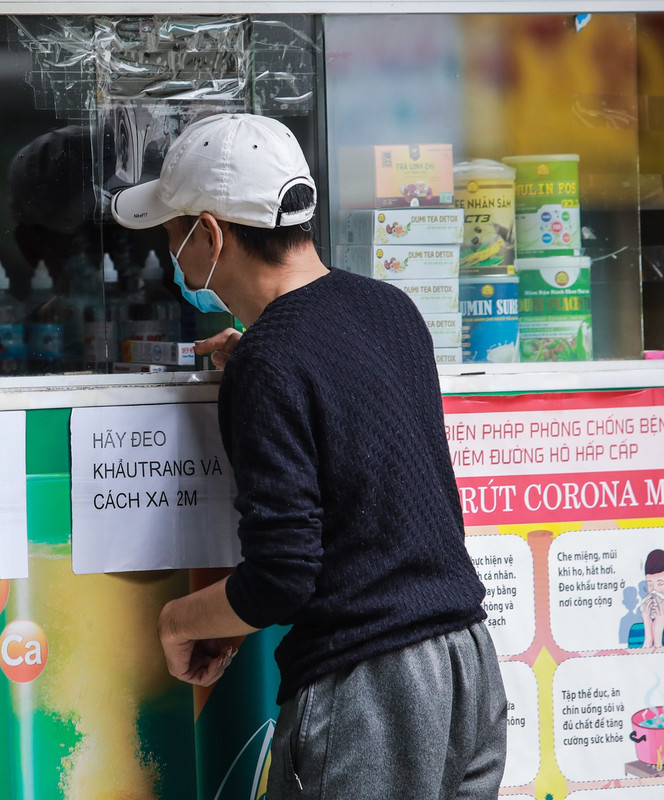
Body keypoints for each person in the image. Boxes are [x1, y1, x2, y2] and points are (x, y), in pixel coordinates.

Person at [111, 113, 507, 799]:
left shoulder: (271, 361)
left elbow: (284, 577)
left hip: (373, 688)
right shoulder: (388, 307)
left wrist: (178, 620)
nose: (170, 256)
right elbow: (366, 465)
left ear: (210, 234)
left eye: (172, 235)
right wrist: (261, 361)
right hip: (468, 664)